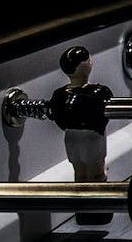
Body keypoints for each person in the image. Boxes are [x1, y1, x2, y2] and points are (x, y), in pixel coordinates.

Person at [48, 44, 114, 225]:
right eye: (88, 60)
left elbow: (58, 118)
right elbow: (105, 113)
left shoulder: (60, 95)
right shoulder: (99, 92)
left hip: (71, 137)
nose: (91, 62)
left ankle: (84, 212)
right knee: (96, 173)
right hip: (92, 137)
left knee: (80, 172)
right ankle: (98, 212)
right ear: (81, 66)